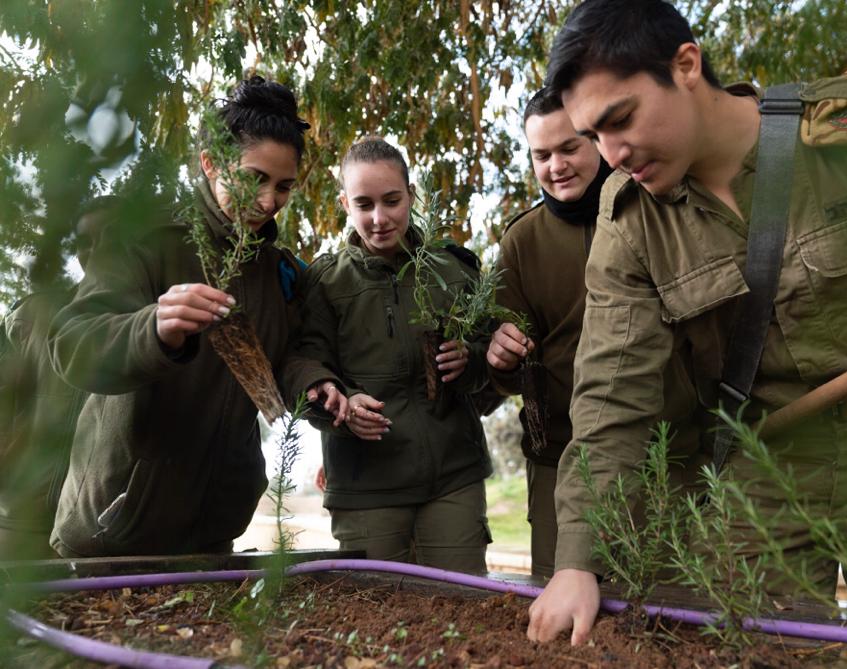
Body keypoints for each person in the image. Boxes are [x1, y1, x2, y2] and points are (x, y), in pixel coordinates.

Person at [527, 0, 847, 645]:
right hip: (764, 462)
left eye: (620, 120)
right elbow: (610, 395)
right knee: (749, 647)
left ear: (685, 65)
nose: (612, 155)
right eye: (594, 137)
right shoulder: (629, 221)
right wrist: (577, 560)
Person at [47, 76, 309, 557]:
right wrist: (153, 329)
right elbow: (72, 344)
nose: (270, 202)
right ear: (211, 163)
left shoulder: (283, 274)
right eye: (254, 178)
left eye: (284, 186)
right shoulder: (145, 240)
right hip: (112, 538)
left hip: (213, 539)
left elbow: (293, 360)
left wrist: (321, 386)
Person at [486, 87, 703, 577]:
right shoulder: (522, 242)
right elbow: (504, 363)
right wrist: (499, 358)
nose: (556, 165)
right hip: (561, 464)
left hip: (671, 457)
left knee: (675, 613)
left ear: (598, 143)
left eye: (569, 148)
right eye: (541, 155)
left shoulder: (660, 210)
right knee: (565, 615)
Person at [283, 137, 493, 573]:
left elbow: (496, 363)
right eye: (364, 205)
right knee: (377, 620)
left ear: (412, 196)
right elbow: (301, 364)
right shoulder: (323, 281)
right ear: (345, 203)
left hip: (453, 479)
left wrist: (471, 359)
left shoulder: (454, 269)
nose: (379, 219)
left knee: (464, 609)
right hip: (366, 490)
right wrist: (340, 400)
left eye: (392, 201)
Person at [0, 197, 115, 560]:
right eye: (85, 242)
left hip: (99, 534)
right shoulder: (32, 317)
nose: (95, 252)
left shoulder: (159, 333)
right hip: (18, 524)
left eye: (110, 240)